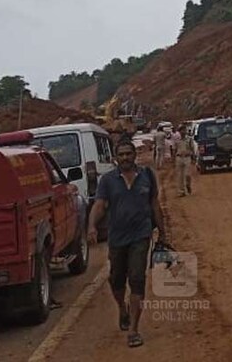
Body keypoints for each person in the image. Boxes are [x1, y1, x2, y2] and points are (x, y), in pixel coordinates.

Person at [88, 140, 171, 349]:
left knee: (136, 278)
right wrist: (91, 226)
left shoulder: (147, 176)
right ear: (115, 157)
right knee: (116, 280)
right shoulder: (107, 180)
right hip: (117, 238)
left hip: (141, 236)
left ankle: (133, 329)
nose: (125, 158)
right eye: (121, 154)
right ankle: (122, 310)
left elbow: (154, 204)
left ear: (134, 155)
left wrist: (163, 232)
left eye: (128, 153)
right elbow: (100, 204)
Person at [170, 124, 195, 197]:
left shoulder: (189, 139)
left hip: (187, 158)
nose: (183, 132)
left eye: (184, 130)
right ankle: (181, 191)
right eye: (182, 130)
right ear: (180, 131)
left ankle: (187, 185)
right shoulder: (177, 140)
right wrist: (173, 159)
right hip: (179, 158)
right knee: (180, 176)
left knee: (187, 174)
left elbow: (192, 149)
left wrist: (193, 158)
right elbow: (174, 150)